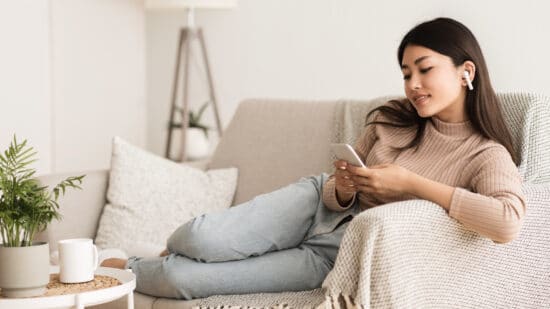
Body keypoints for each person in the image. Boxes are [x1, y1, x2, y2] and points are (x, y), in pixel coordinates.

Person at [101, 17, 525, 299]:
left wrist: (411, 185)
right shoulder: (392, 121)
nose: (412, 84)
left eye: (424, 68)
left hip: (336, 254)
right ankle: (161, 252)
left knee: (180, 279)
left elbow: (508, 223)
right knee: (198, 238)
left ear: (466, 72)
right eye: (406, 73)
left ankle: (122, 266)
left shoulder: (485, 154)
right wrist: (341, 188)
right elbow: (336, 190)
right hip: (311, 206)